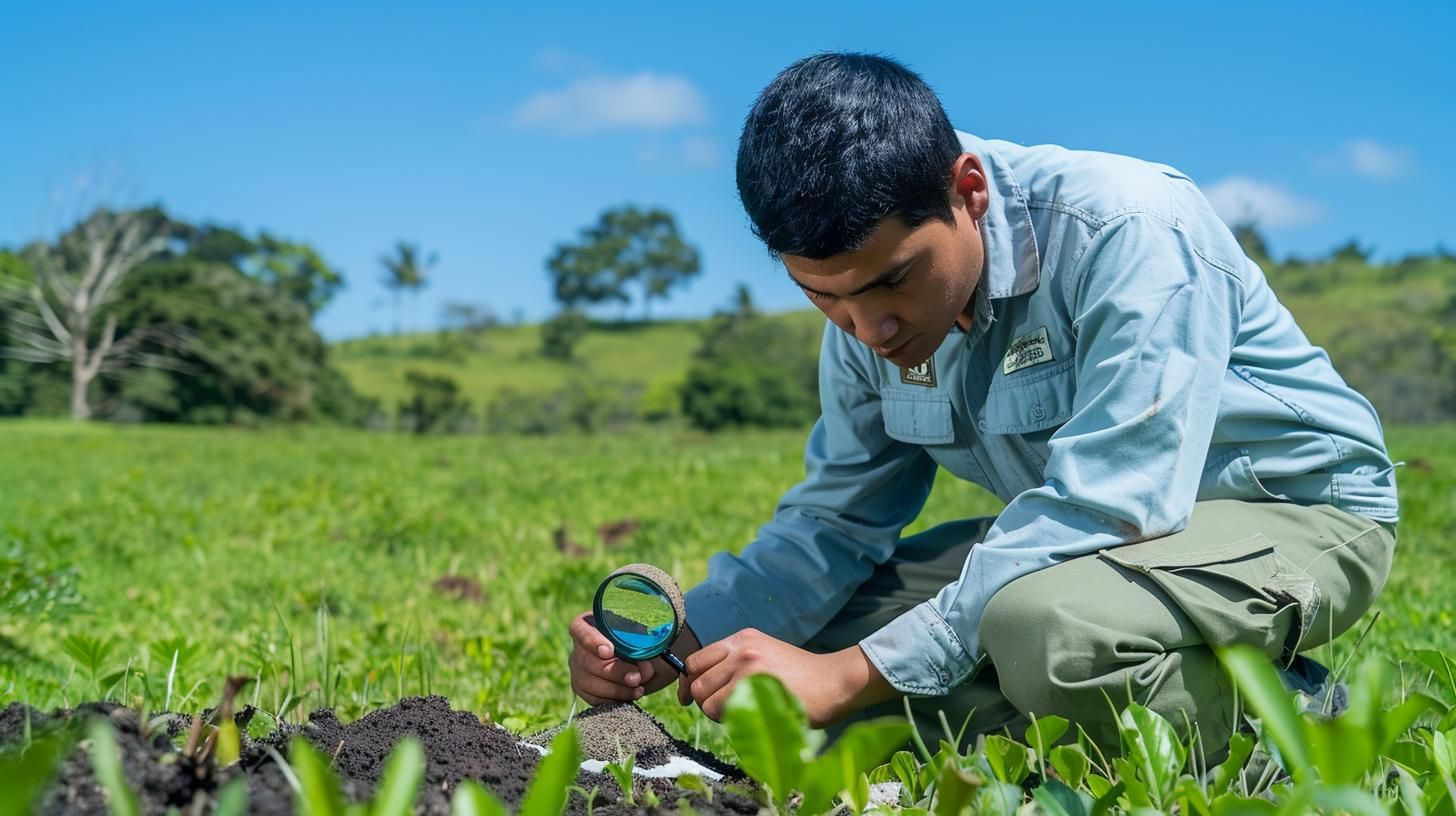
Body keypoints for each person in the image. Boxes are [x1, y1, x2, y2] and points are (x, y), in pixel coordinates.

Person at [567, 52, 1398, 754]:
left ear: (968, 190)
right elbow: (833, 524)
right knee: (801, 645)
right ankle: (1098, 700)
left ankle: (1298, 727)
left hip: (1289, 511)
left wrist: (857, 674)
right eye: (824, 298)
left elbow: (1114, 502)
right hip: (1094, 533)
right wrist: (685, 640)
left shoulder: (1129, 227)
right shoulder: (865, 322)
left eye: (893, 279)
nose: (869, 328)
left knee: (1044, 629)